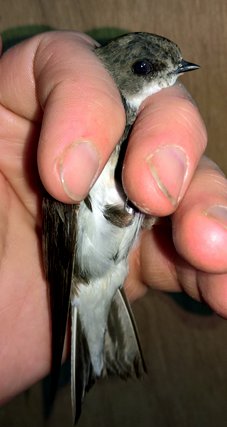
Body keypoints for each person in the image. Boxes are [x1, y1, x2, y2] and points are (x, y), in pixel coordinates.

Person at [0, 30, 226, 404]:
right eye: (144, 68)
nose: (167, 74)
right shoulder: (87, 125)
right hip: (76, 271)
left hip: (111, 260)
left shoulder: (129, 122)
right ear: (122, 74)